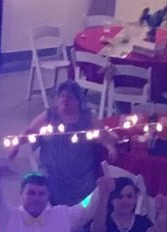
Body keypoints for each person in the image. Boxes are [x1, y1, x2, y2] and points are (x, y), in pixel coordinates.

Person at [22, 83, 106, 211]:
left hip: (82, 172)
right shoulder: (50, 115)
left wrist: (110, 146)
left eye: (69, 97)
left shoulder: (87, 117)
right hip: (54, 171)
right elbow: (30, 131)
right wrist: (15, 146)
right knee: (50, 186)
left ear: (78, 101)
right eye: (62, 96)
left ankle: (81, 215)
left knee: (87, 196)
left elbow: (103, 134)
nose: (64, 100)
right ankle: (59, 215)